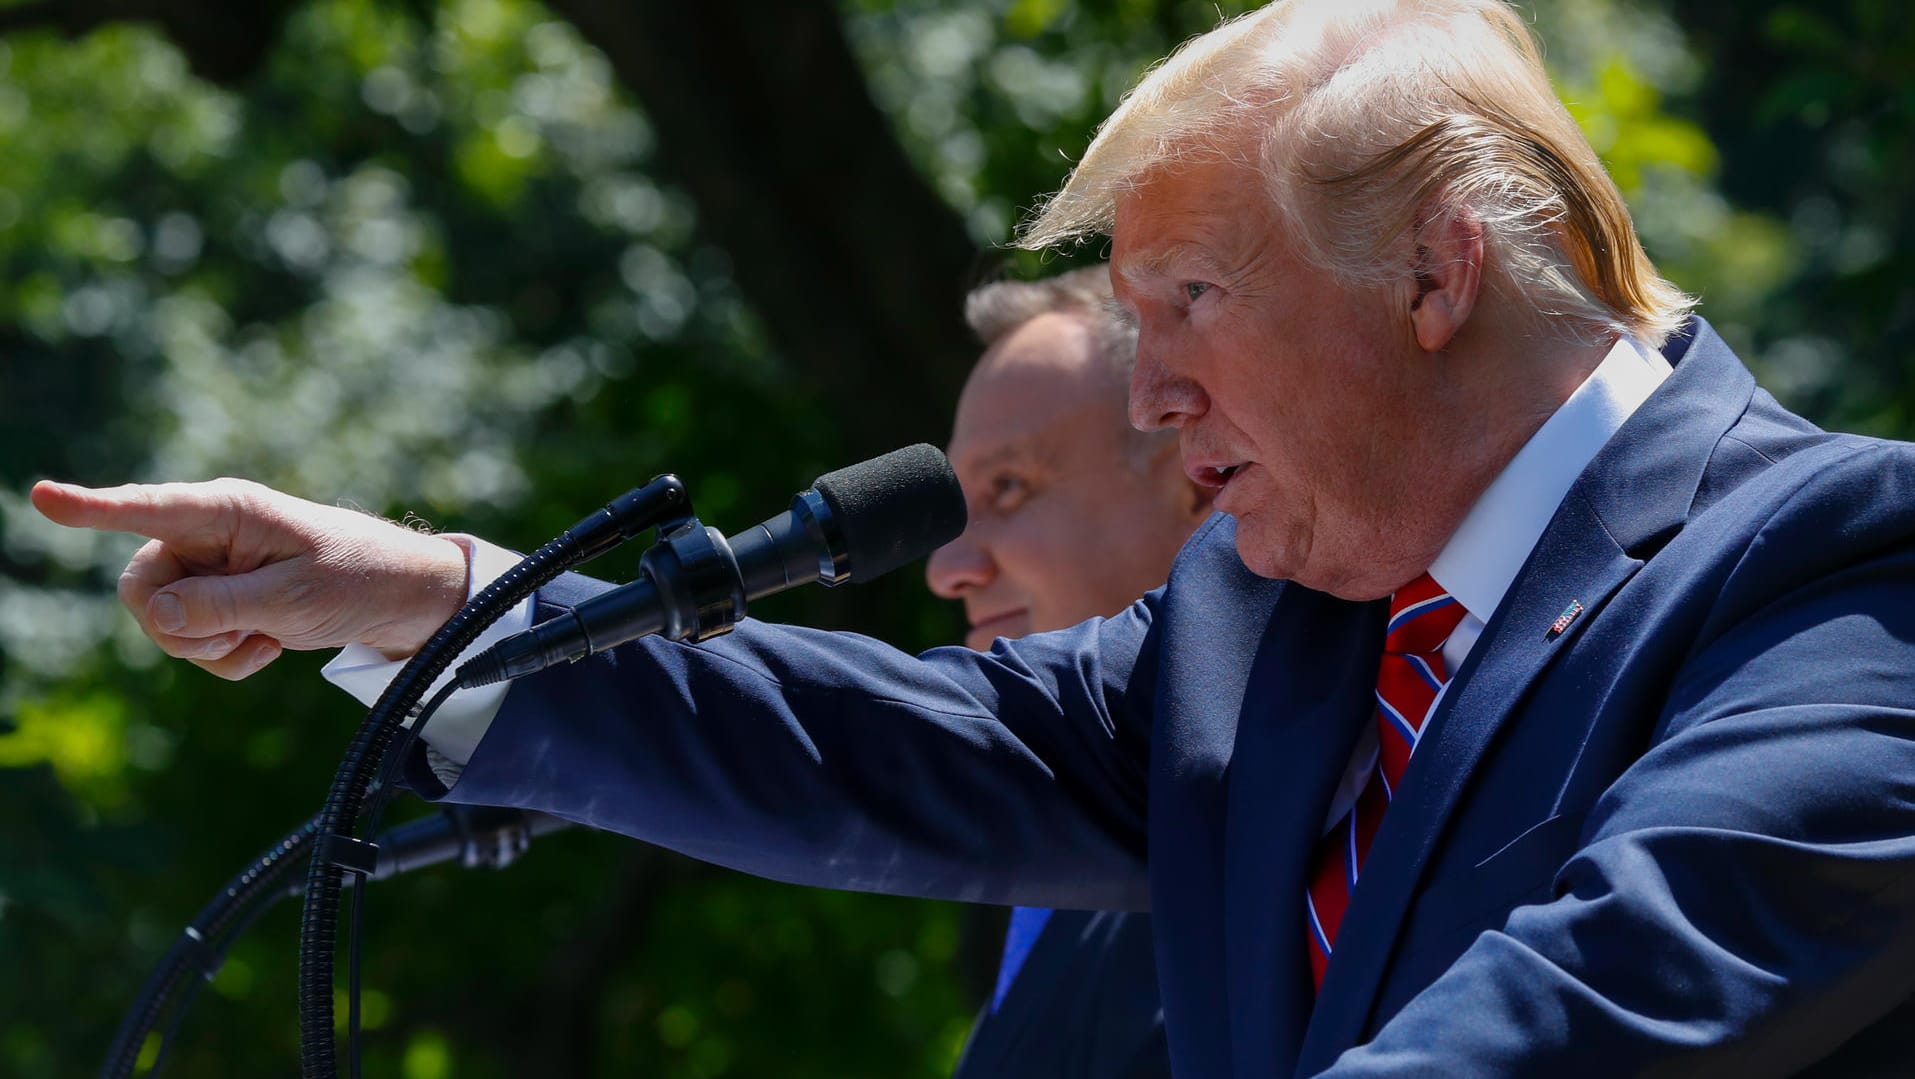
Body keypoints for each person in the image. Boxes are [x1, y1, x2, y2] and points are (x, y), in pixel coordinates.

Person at [32, 0, 1915, 1074]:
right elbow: (868, 738)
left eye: (1190, 295)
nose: (1151, 393)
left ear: (1436, 269)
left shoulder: (1836, 567)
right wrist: (431, 597)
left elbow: (1608, 1003)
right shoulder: (1274, 614)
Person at [929, 267, 1206, 1079]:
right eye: (956, 505)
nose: (948, 566)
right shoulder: (1062, 844)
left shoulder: (1252, 865)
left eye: (1008, 486)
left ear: (1196, 480)